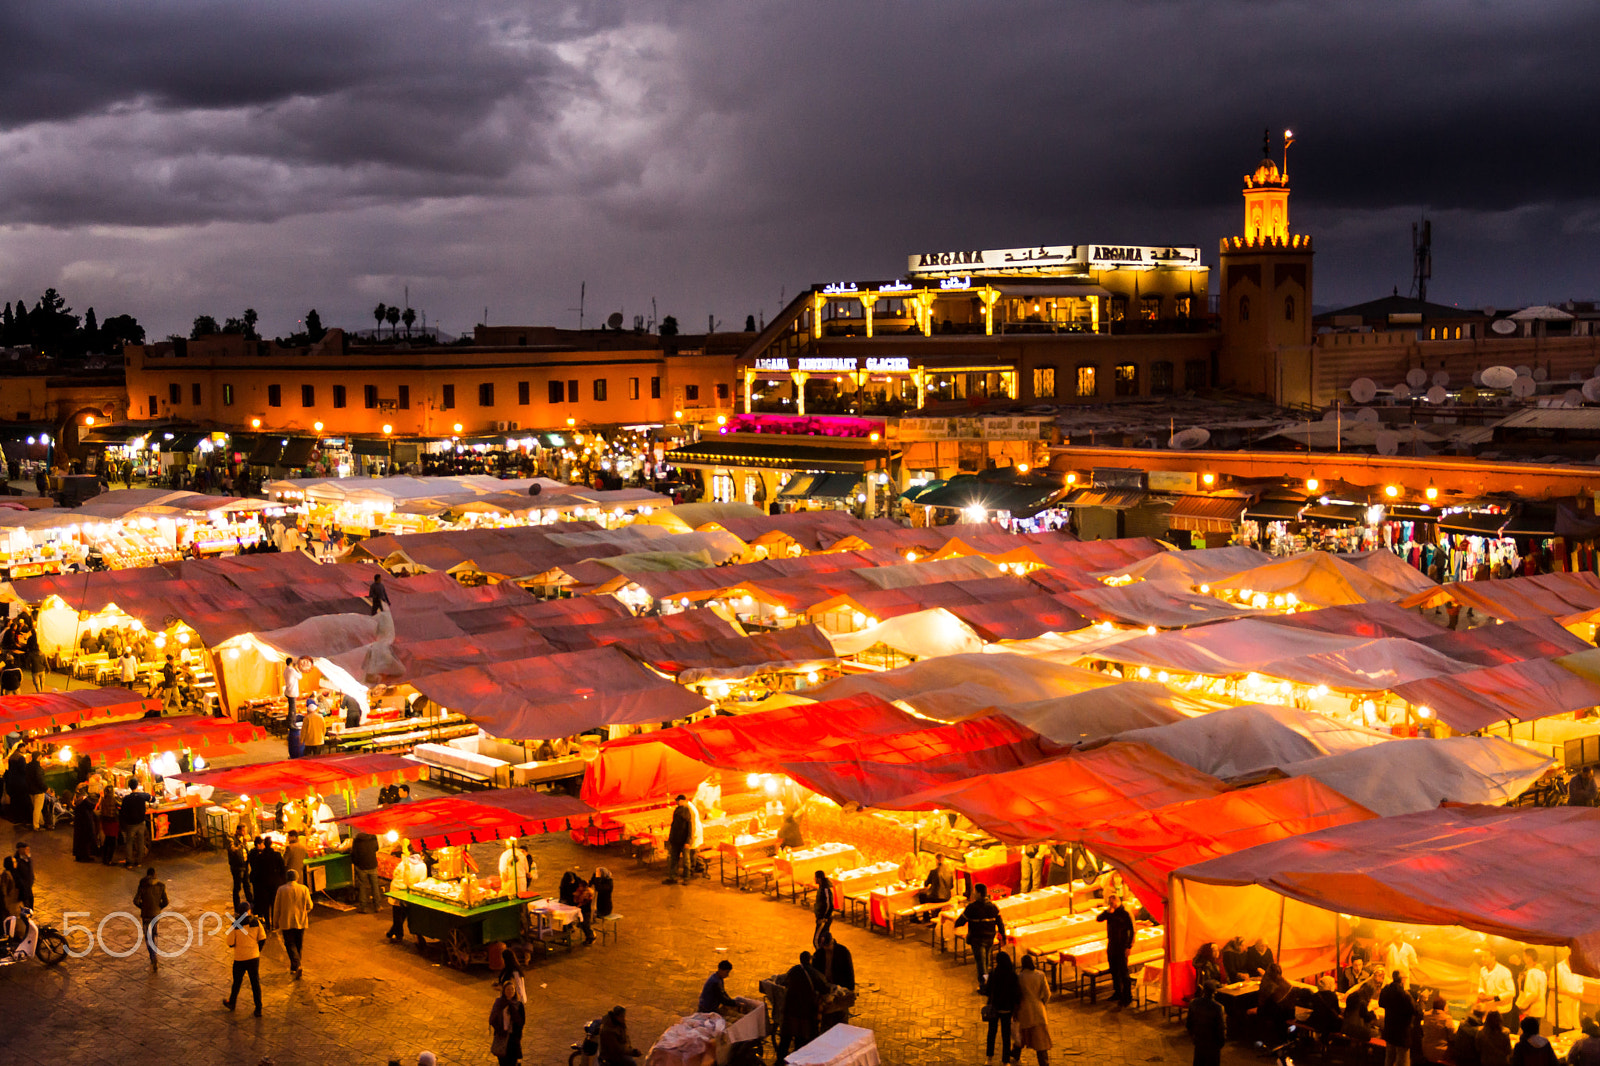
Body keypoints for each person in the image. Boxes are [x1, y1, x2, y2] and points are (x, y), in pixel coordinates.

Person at [955, 882, 1006, 991]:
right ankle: (986, 983)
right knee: (986, 962)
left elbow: (961, 921)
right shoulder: (993, 907)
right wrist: (1003, 936)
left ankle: (984, 985)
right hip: (989, 939)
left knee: (981, 964)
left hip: (977, 939)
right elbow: (1000, 923)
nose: (973, 893)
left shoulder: (972, 907)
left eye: (974, 891)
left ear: (978, 893)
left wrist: (955, 925)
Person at [220, 903, 267, 1017]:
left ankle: (232, 1002)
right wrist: (257, 950)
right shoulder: (256, 922)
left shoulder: (235, 925)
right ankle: (258, 1008)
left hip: (240, 958)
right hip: (253, 957)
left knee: (237, 982)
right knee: (255, 983)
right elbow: (262, 938)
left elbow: (230, 943)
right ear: (249, 911)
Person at [775, 953, 822, 1064]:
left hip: (789, 1011)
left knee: (785, 1039)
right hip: (803, 1013)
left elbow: (783, 981)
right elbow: (824, 987)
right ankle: (796, 1062)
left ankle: (780, 1061)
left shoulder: (793, 970)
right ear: (809, 960)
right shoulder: (814, 973)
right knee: (800, 1039)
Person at [1097, 892, 1136, 1009]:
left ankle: (1127, 996)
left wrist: (1129, 946)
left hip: (1122, 946)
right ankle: (1117, 992)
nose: (1111, 904)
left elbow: (1133, 931)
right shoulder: (1110, 913)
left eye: (1112, 901)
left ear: (1117, 901)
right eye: (1109, 902)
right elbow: (1098, 919)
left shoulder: (1125, 913)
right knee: (1113, 970)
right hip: (1112, 944)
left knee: (1124, 972)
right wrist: (1107, 911)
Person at [984, 950, 1022, 1065]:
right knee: (1006, 1036)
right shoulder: (1013, 975)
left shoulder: (993, 974)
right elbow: (1016, 993)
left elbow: (987, 991)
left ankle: (989, 1058)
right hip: (1007, 1009)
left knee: (992, 1033)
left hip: (994, 1008)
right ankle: (1005, 1060)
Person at [271, 869, 312, 977]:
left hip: (286, 921)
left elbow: (277, 908)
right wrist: (304, 912)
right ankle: (296, 966)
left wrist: (275, 921)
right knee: (299, 944)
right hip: (301, 921)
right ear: (297, 878)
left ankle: (296, 965)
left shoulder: (281, 890)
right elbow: (310, 905)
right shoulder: (304, 889)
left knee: (290, 944)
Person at [1015, 953, 1052, 1066]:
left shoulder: (1020, 977)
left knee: (1022, 1035)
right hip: (1038, 1010)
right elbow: (1047, 993)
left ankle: (1015, 1054)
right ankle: (1043, 1062)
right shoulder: (1040, 975)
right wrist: (1042, 1003)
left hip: (1024, 1011)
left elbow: (1017, 995)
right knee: (1040, 1040)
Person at [1381, 969, 1420, 1066]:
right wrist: (1421, 1001)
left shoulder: (1386, 990)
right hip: (1401, 1034)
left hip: (1389, 1030)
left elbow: (1381, 1003)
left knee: (1389, 1057)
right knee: (1402, 1060)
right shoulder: (1405, 995)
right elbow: (1416, 1011)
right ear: (1402, 980)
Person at [247, 837, 286, 933]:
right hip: (275, 883)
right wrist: (281, 880)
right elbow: (282, 869)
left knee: (265, 904)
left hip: (263, 884)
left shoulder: (260, 857)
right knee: (274, 903)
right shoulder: (277, 855)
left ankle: (268, 923)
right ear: (271, 844)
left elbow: (256, 871)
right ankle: (274, 923)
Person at [134, 866, 169, 970]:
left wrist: (143, 907)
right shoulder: (161, 885)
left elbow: (136, 901)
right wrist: (158, 908)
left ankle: (152, 956)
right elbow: (166, 902)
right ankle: (154, 954)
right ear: (155, 875)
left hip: (146, 915)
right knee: (153, 934)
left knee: (148, 938)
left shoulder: (143, 885)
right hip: (155, 914)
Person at [1187, 981, 1227, 1066]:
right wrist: (1221, 1043)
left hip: (1199, 1041)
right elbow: (1221, 1028)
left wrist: (1193, 1037)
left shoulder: (1193, 1003)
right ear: (1214, 992)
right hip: (1213, 1044)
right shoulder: (1218, 1008)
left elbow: (1189, 1024)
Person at [490, 980, 526, 1066]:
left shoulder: (518, 1005)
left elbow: (521, 1022)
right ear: (504, 991)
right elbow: (492, 1019)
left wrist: (513, 1010)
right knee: (503, 1061)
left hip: (513, 1038)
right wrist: (499, 1030)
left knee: (512, 1061)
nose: (510, 992)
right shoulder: (499, 1003)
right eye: (508, 989)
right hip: (501, 1036)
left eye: (512, 989)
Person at [1517, 949, 1548, 1035]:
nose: (1523, 959)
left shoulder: (1532, 973)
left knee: (1529, 1035)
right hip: (1538, 1009)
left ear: (1529, 958)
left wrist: (1523, 1006)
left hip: (1531, 1009)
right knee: (1535, 1034)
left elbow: (1533, 993)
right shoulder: (1542, 972)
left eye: (1524, 956)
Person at [351, 829, 381, 913]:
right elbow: (376, 848)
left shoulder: (357, 840)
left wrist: (356, 863)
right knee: (375, 886)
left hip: (361, 866)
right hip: (372, 864)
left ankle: (363, 907)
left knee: (362, 887)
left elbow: (354, 853)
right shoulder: (373, 837)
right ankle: (377, 906)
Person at [1478, 950, 1517, 1014]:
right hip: (1489, 1008)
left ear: (1493, 957)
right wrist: (1481, 993)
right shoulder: (1482, 970)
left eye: (1485, 957)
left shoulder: (1504, 971)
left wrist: (1495, 997)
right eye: (1481, 957)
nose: (1483, 959)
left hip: (1503, 1009)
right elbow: (1481, 986)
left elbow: (1512, 992)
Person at [1422, 995, 1459, 1063]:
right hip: (1441, 1053)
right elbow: (1452, 1037)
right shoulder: (1446, 1019)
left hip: (1426, 1050)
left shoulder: (1426, 1015)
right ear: (1444, 1006)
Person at [665, 794, 692, 884]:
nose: (676, 802)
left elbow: (690, 827)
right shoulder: (678, 810)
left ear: (682, 801)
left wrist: (688, 841)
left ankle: (686, 878)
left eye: (678, 800)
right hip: (676, 840)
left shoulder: (686, 811)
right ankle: (673, 877)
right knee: (674, 860)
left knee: (685, 861)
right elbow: (674, 826)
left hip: (683, 840)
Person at [226, 827, 252, 913]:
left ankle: (250, 905)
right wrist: (243, 844)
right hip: (237, 867)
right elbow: (234, 851)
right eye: (243, 831)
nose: (245, 833)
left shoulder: (242, 839)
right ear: (238, 830)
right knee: (237, 887)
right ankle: (237, 908)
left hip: (245, 865)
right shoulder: (231, 839)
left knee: (247, 885)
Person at [71, 787, 98, 863]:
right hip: (85, 822)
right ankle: (85, 856)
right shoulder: (84, 800)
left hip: (79, 823)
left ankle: (78, 856)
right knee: (86, 840)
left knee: (78, 840)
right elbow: (92, 806)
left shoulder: (77, 800)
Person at [97, 784, 121, 865]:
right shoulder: (114, 799)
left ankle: (104, 858)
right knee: (112, 842)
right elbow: (120, 805)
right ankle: (109, 860)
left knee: (107, 840)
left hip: (105, 822)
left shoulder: (103, 799)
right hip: (112, 823)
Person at [25, 752, 48, 830]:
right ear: (38, 757)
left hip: (30, 790)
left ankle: (42, 822)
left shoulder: (28, 766)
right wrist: (45, 788)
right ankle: (36, 826)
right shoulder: (38, 768)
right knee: (37, 809)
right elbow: (39, 780)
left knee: (37, 808)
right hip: (38, 791)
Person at [813, 870, 835, 951]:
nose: (814, 879)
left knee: (816, 940)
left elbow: (828, 905)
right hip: (823, 918)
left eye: (815, 877)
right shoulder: (822, 888)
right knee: (823, 939)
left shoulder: (825, 889)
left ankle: (820, 956)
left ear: (819, 879)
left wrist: (823, 917)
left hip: (824, 919)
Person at [12, 842, 34, 910]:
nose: (28, 851)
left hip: (29, 886)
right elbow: (16, 875)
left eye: (28, 849)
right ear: (21, 850)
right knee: (26, 905)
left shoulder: (28, 859)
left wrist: (32, 879)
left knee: (31, 902)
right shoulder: (16, 861)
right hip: (23, 888)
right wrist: (22, 885)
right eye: (26, 849)